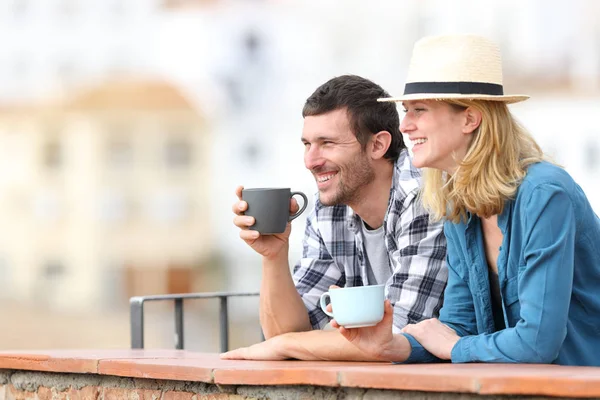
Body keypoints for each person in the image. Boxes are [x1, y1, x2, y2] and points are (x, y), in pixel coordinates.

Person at [331, 34, 600, 366]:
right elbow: (458, 326)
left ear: (470, 119)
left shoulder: (544, 195)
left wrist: (455, 347)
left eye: (419, 110)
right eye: (405, 111)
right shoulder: (458, 206)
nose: (405, 125)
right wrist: (389, 346)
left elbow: (537, 343)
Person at [222, 74, 447, 361]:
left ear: (377, 145)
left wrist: (285, 345)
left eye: (327, 143)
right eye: (307, 144)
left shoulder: (422, 194)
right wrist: (273, 254)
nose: (310, 161)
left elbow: (398, 337)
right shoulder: (330, 206)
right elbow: (287, 331)